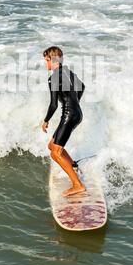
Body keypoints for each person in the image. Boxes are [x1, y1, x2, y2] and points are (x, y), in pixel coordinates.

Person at [42, 46, 86, 196]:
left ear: (52, 60)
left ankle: (77, 185)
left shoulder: (53, 78)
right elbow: (82, 86)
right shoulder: (69, 72)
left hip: (69, 115)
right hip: (77, 113)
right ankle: (74, 167)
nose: (45, 64)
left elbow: (53, 104)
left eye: (46, 60)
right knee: (52, 146)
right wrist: (75, 103)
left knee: (55, 153)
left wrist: (46, 120)